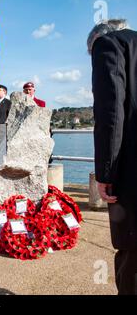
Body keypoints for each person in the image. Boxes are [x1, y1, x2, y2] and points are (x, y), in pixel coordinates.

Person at [89, 18, 137, 295]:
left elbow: (111, 114)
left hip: (131, 167)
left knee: (132, 247)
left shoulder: (109, 44)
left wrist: (106, 173)